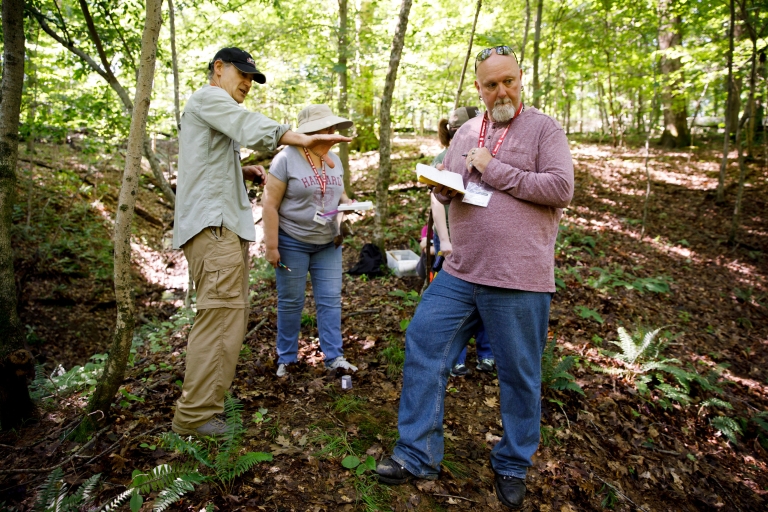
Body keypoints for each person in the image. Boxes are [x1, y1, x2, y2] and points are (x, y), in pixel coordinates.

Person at [375, 45, 574, 510]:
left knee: (519, 374)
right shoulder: (466, 130)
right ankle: (417, 453)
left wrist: (494, 168)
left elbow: (560, 189)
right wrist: (443, 190)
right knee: (424, 342)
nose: (501, 90)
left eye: (509, 81)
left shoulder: (545, 128)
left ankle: (512, 462)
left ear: (521, 79)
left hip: (519, 277)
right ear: (479, 89)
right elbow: (452, 189)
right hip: (462, 269)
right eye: (491, 84)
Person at [171, 48, 350, 438]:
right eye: (243, 73)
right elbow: (249, 126)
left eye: (253, 77)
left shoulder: (210, 108)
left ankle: (205, 407)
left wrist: (241, 171)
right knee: (220, 318)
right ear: (218, 69)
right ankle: (197, 415)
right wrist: (297, 136)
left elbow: (206, 163)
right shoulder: (209, 97)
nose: (248, 83)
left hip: (220, 228)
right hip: (214, 229)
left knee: (227, 316)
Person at [262, 104, 359, 377]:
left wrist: (347, 202)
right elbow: (269, 204)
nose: (332, 134)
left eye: (332, 129)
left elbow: (336, 191)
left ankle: (334, 357)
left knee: (330, 300)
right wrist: (271, 246)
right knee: (291, 301)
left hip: (328, 242)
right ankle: (287, 358)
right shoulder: (286, 159)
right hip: (292, 240)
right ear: (312, 132)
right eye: (326, 129)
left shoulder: (334, 159)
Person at [432, 107, 495, 377]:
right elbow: (436, 201)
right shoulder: (444, 156)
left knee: (486, 294)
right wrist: (444, 240)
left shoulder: (489, 153)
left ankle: (487, 354)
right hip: (452, 235)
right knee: (454, 298)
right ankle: (455, 357)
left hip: (481, 236)